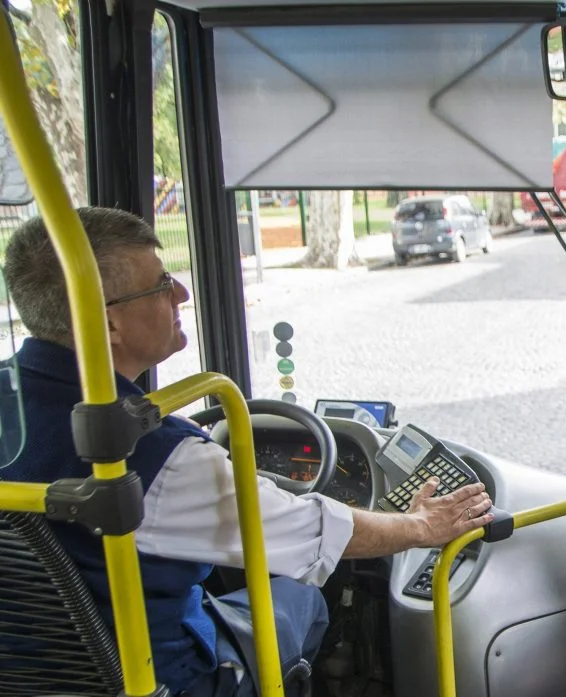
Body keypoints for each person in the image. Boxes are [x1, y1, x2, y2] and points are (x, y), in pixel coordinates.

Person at [1, 207, 495, 697]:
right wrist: (421, 527)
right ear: (109, 324)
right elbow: (314, 533)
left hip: (33, 674)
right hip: (167, 679)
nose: (182, 293)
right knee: (302, 598)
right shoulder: (153, 459)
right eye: (162, 283)